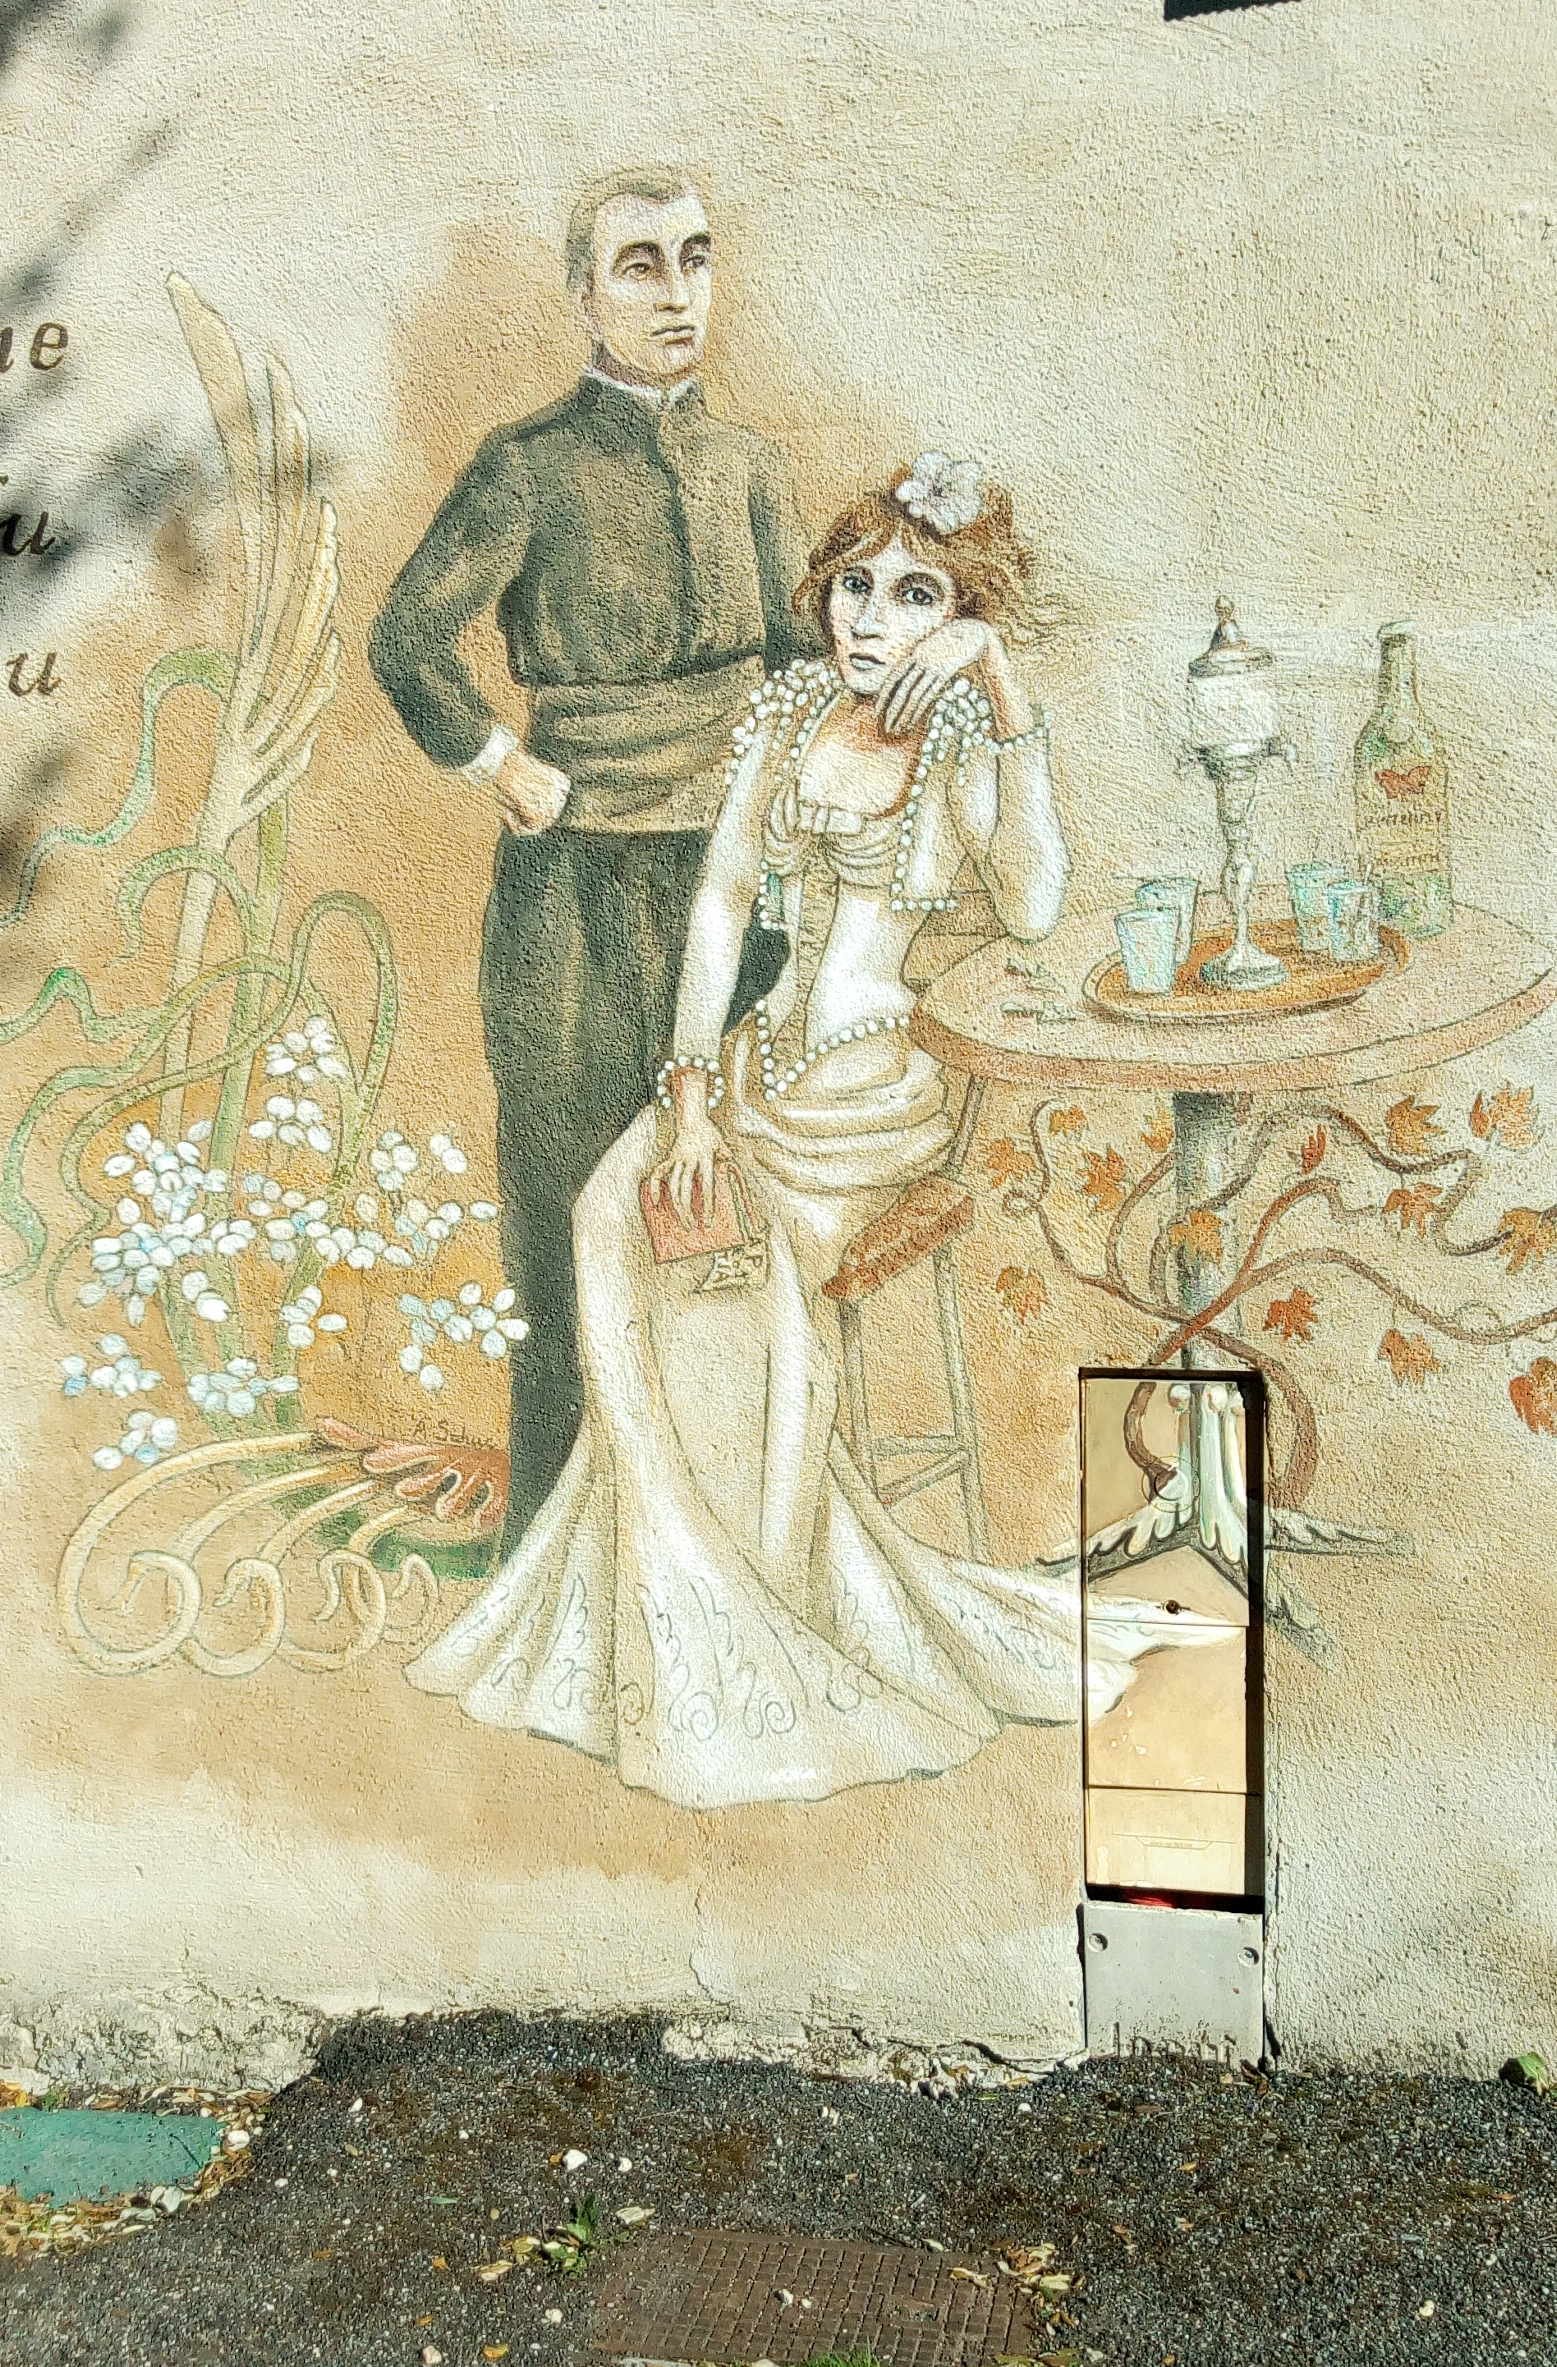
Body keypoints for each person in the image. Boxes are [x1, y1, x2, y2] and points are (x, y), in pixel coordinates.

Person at [406, 459, 1232, 1807]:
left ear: (961, 618)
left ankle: (763, 1594)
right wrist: (686, 1098)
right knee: (610, 1214)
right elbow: (722, 904)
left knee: (741, 1280)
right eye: (855, 583)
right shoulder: (790, 712)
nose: (868, 616)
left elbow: (1033, 905)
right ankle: (665, 1596)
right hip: (748, 1070)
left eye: (915, 595)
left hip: (871, 1097)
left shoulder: (963, 739)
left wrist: (1002, 689)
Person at [369, 166, 814, 1545]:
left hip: (733, 894)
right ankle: (557, 1548)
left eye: (696, 258)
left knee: (725, 1224)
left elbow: (803, 668)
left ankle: (720, 1542)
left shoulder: (752, 467)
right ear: (583, 296)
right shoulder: (527, 466)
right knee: (569, 1217)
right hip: (573, 900)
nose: (677, 293)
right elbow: (406, 638)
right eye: (640, 265)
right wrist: (498, 763)